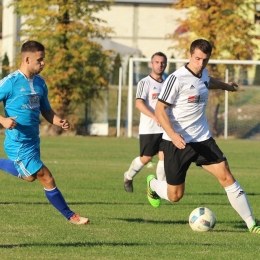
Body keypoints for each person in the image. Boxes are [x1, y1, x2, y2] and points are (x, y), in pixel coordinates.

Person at [147, 39, 260, 233]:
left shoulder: (204, 73)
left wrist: (225, 86)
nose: (200, 63)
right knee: (175, 195)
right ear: (190, 55)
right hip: (177, 143)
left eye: (205, 60)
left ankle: (252, 224)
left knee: (226, 176)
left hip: (203, 139)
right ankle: (153, 184)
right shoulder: (176, 79)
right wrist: (173, 135)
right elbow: (159, 109)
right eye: (197, 58)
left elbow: (207, 82)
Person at [0, 40, 89, 225]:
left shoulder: (40, 83)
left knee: (29, 177)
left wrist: (59, 121)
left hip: (33, 140)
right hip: (18, 143)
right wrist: (2, 120)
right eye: (40, 60)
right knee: (46, 177)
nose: (43, 64)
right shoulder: (10, 82)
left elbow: (46, 111)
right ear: (27, 59)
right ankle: (71, 215)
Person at [123, 52, 167, 193]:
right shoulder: (145, 82)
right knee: (146, 158)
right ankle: (128, 176)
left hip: (165, 127)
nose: (160, 65)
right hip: (149, 128)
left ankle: (159, 189)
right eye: (157, 62)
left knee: (164, 156)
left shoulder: (167, 83)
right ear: (151, 64)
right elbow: (139, 104)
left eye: (162, 62)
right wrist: (155, 116)